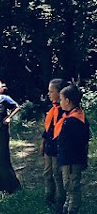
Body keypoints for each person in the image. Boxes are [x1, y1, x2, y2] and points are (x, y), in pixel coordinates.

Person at [54, 84, 90, 214]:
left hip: (71, 160)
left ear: (67, 101)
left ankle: (72, 210)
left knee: (72, 187)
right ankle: (66, 209)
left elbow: (79, 143)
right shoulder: (72, 117)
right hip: (68, 159)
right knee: (68, 186)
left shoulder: (74, 121)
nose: (60, 102)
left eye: (61, 99)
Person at [39, 78, 67, 207]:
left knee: (58, 174)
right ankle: (49, 197)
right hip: (49, 148)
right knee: (47, 173)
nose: (49, 94)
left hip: (58, 149)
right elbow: (48, 128)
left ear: (60, 93)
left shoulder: (65, 111)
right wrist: (43, 142)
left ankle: (61, 200)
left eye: (51, 92)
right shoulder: (52, 109)